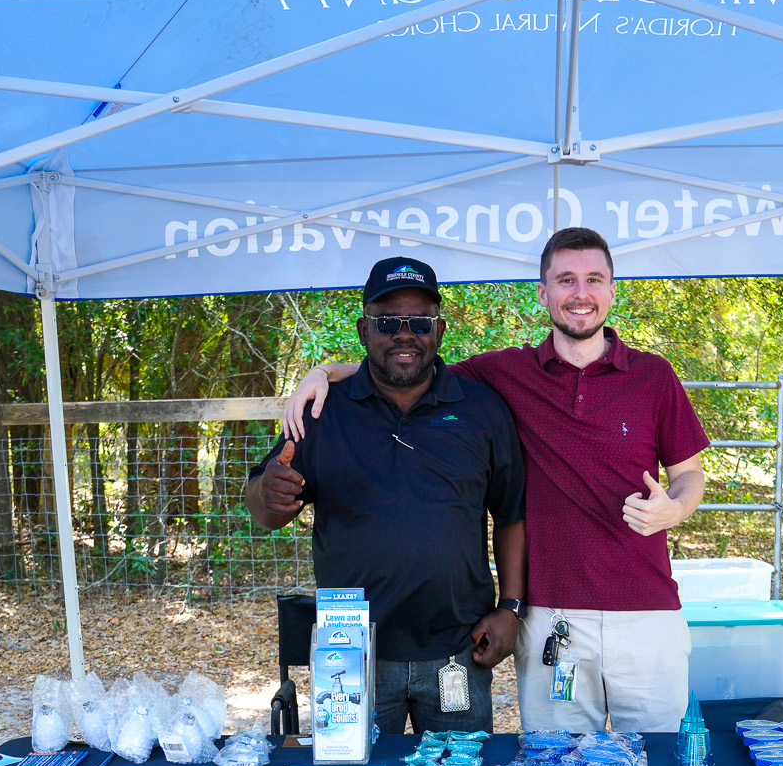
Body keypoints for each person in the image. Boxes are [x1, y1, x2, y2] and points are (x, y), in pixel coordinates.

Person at [284, 227, 708, 733]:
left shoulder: (653, 376)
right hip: (554, 617)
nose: (580, 293)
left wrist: (675, 508)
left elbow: (690, 477)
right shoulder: (504, 374)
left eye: (594, 279)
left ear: (612, 290)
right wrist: (326, 371)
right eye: (565, 279)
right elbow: (407, 362)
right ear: (543, 293)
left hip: (647, 611)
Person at [245, 256, 526, 736]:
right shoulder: (321, 413)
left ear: (438, 330)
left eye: (418, 321)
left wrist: (512, 608)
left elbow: (512, 514)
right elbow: (263, 508)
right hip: (350, 654)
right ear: (363, 329)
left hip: (456, 647)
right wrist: (266, 495)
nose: (404, 333)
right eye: (388, 321)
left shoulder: (481, 410)